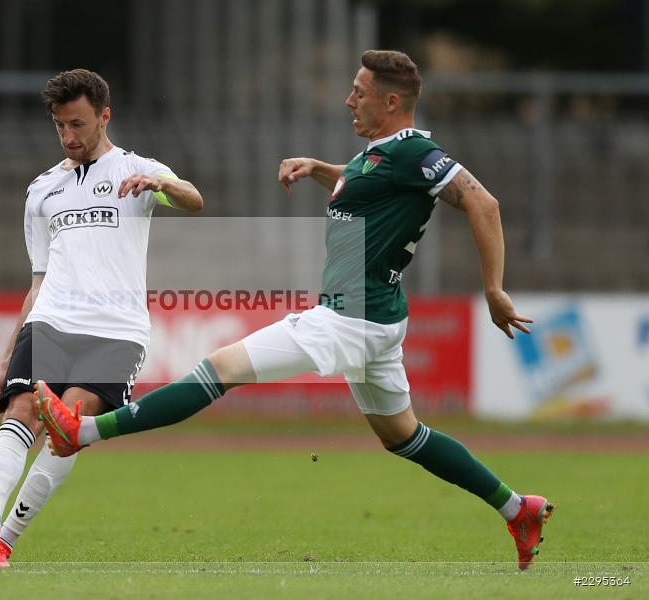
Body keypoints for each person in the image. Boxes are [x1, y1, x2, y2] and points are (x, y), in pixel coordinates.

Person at [37, 51, 553, 571]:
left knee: (221, 369)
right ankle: (517, 508)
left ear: (391, 101)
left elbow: (483, 203)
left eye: (360, 91)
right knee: (403, 436)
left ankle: (81, 432)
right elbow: (369, 187)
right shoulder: (379, 154)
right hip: (377, 318)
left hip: (350, 316)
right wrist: (320, 170)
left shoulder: (414, 152)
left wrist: (493, 289)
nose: (349, 99)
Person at [0, 69, 203, 568]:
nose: (69, 136)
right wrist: (7, 353)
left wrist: (161, 184)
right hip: (52, 319)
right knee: (21, 410)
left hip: (117, 331)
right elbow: (37, 280)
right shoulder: (43, 190)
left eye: (78, 123)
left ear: (104, 116)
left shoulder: (137, 169)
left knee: (70, 424)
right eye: (59, 126)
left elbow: (194, 199)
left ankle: (5, 540)